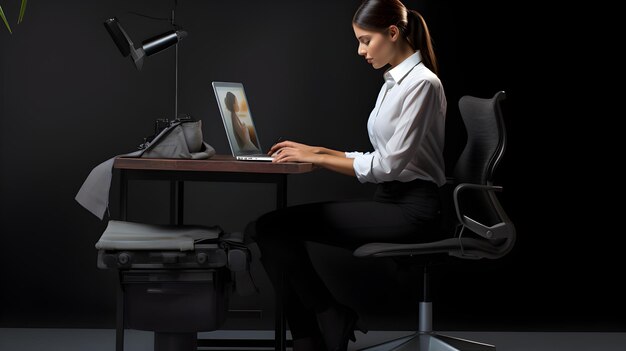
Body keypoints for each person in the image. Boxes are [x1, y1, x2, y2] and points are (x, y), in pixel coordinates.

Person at [247, 1, 447, 350]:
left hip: (413, 210)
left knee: (272, 229)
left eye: (366, 40)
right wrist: (316, 151)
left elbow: (388, 166)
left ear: (393, 33)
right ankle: (311, 334)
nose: (360, 50)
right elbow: (381, 156)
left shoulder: (422, 85)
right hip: (391, 200)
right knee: (265, 229)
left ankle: (325, 320)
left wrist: (320, 159)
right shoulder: (392, 81)